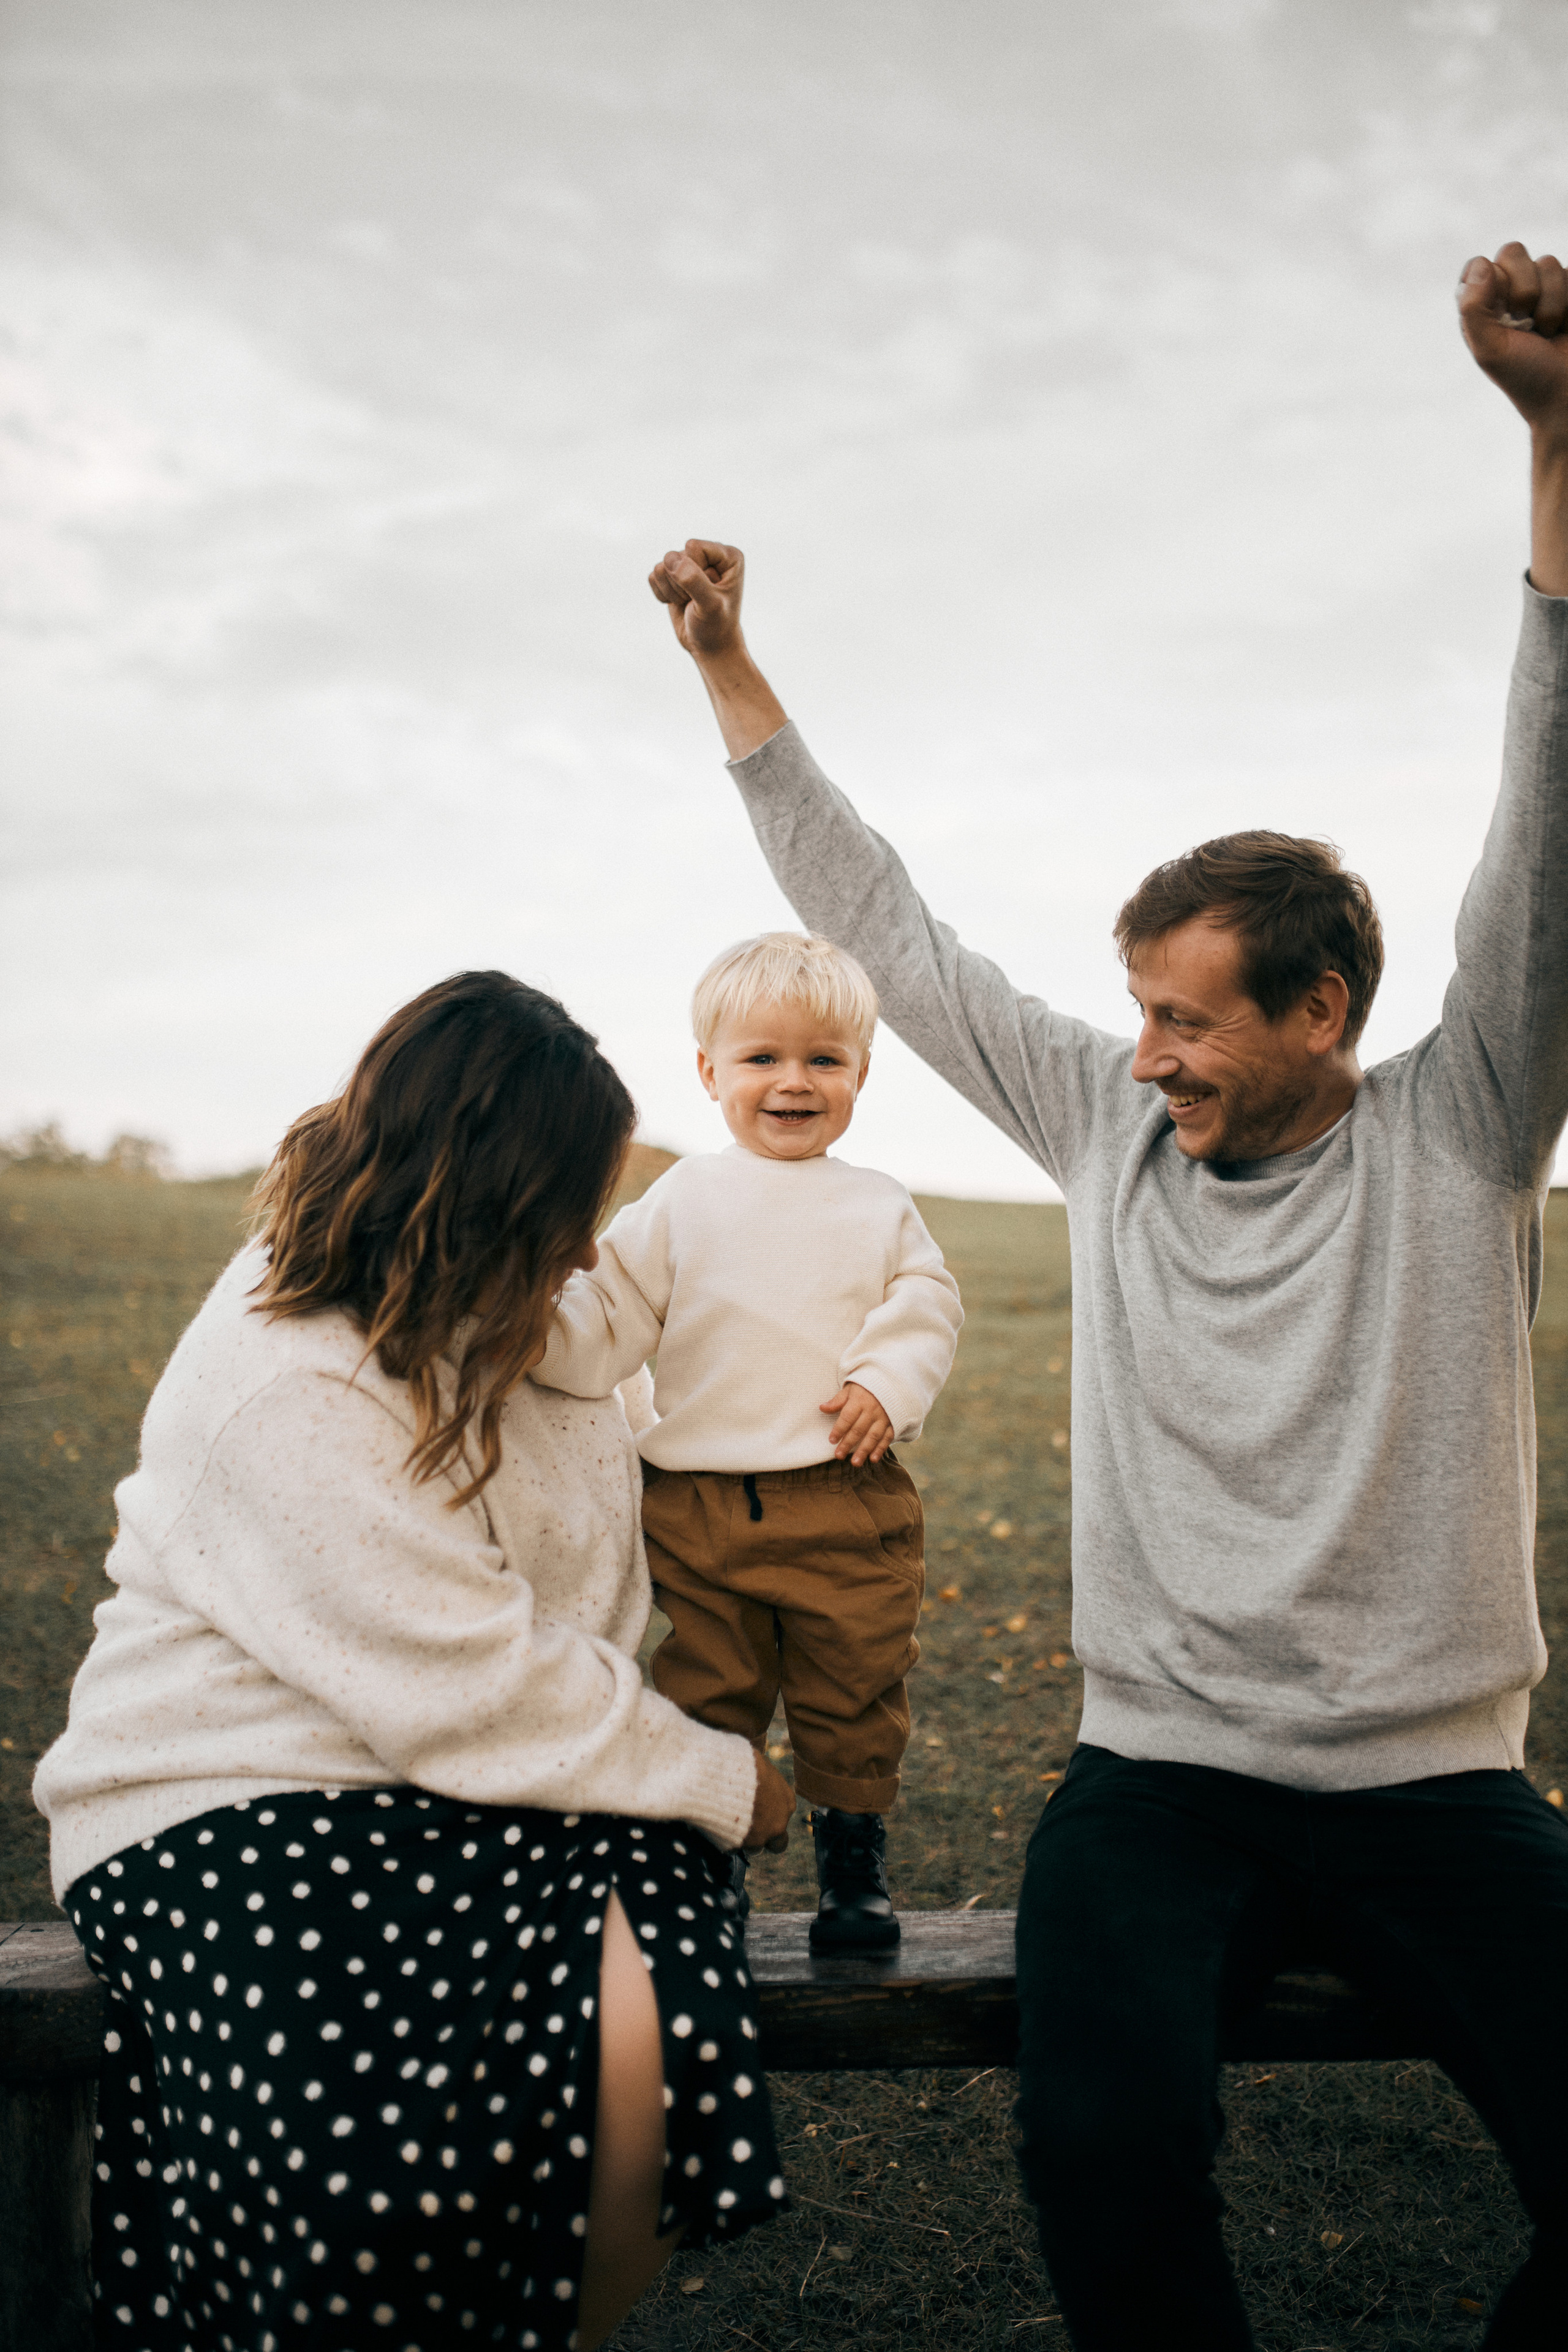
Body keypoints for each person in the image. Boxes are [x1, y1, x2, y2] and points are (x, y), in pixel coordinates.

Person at [643, 239, 1568, 2348]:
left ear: (1324, 1011)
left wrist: (1551, 449)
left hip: (1436, 1788)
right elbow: (888, 927)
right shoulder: (1103, 1128)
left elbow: (1550, 829)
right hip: (1159, 1777)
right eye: (1135, 1012)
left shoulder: (1462, 1129)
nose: (1140, 1056)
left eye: (1185, 1019)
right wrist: (729, 662)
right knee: (1099, 2148)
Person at [32, 971, 796, 2352]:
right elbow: (465, 1681)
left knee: (658, 2036)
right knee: (366, 2170)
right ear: (485, 1205)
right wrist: (721, 1780)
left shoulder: (514, 1318)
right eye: (566, 1218)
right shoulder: (293, 1372)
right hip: (232, 1791)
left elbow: (555, 1614)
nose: (587, 1256)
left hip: (487, 1771)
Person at [530, 930, 962, 1949]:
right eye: (762, 1057)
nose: (794, 1081)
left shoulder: (877, 1204)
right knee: (709, 1690)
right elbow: (611, 1313)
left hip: (842, 1493)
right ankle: (704, 1863)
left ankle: (851, 1864)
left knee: (854, 1684)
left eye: (825, 1059)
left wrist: (884, 1382)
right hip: (703, 1505)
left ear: (862, 1073)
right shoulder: (684, 1198)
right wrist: (531, 1330)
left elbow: (925, 1304)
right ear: (709, 1071)